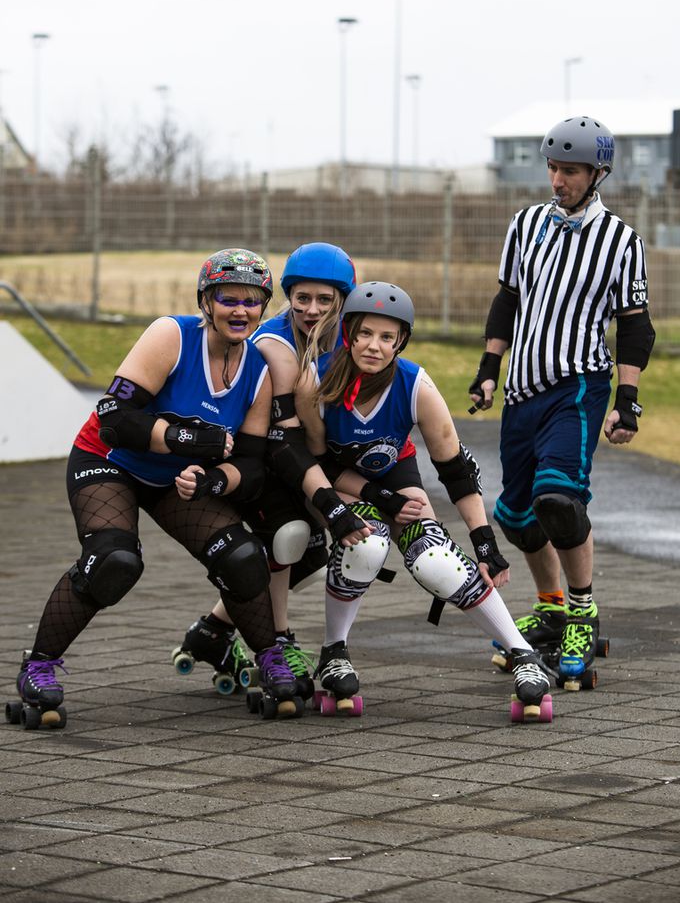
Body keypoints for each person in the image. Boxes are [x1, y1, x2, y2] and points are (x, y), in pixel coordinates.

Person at [10, 247, 302, 728]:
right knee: (114, 561)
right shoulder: (173, 335)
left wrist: (213, 478)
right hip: (110, 462)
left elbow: (249, 466)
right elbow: (113, 419)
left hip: (173, 480)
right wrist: (185, 438)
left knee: (243, 556)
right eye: (229, 298)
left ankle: (268, 656)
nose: (241, 311)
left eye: (253, 302)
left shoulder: (258, 371)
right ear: (206, 300)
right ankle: (38, 667)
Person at [294, 280, 554, 717]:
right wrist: (379, 497)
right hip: (336, 484)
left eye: (387, 337)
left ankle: (524, 655)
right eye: (364, 334)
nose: (373, 346)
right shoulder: (315, 379)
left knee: (435, 559)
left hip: (396, 475)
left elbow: (456, 472)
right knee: (368, 544)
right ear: (349, 333)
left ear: (401, 342)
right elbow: (315, 463)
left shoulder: (416, 384)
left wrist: (485, 543)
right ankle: (333, 651)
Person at [468, 115, 656, 687]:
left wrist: (627, 398)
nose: (557, 180)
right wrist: (487, 370)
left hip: (578, 386)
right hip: (523, 387)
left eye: (569, 171)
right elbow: (507, 301)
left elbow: (635, 326)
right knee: (515, 516)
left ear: (597, 173)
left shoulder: (621, 241)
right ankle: (550, 607)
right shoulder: (525, 225)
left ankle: (582, 612)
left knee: (559, 502)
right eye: (552, 168)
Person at [176, 242, 358, 701]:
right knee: (288, 536)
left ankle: (213, 629)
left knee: (309, 554)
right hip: (259, 457)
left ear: (343, 300)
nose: (312, 310)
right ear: (288, 297)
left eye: (325, 300)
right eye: (302, 298)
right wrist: (326, 497)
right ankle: (278, 640)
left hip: (305, 458)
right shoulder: (276, 344)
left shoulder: (352, 339)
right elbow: (290, 441)